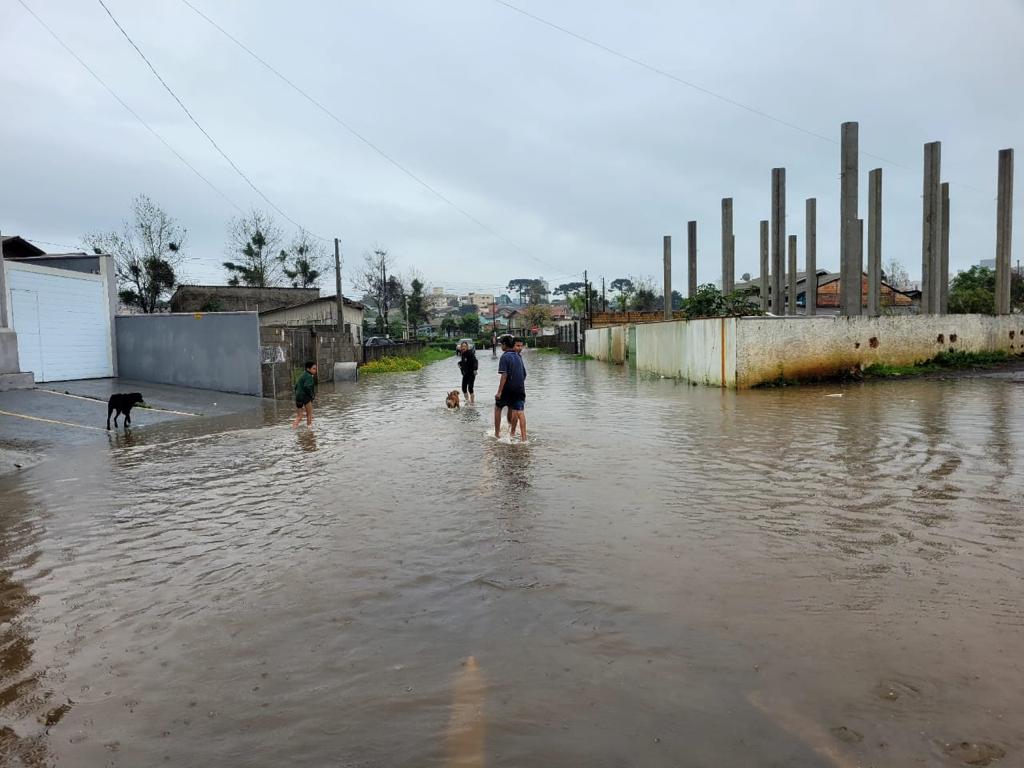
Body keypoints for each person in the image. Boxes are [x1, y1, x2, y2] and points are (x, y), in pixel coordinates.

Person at [495, 335, 527, 442]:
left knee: (498, 407)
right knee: (517, 411)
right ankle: (521, 437)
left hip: (509, 388)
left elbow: (504, 375)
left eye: (501, 344)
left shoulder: (504, 357)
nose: (501, 346)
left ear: (504, 344)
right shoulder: (518, 356)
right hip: (520, 388)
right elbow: (524, 374)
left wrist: (499, 392)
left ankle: (497, 434)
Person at [292, 360, 317, 428]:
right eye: (314, 369)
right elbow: (307, 387)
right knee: (309, 414)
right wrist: (312, 395)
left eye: (316, 369)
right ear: (308, 369)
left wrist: (298, 394)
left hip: (298, 397)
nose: (315, 370)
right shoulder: (309, 376)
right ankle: (309, 430)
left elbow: (296, 386)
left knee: (299, 416)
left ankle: (294, 428)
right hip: (305, 397)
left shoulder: (302, 375)